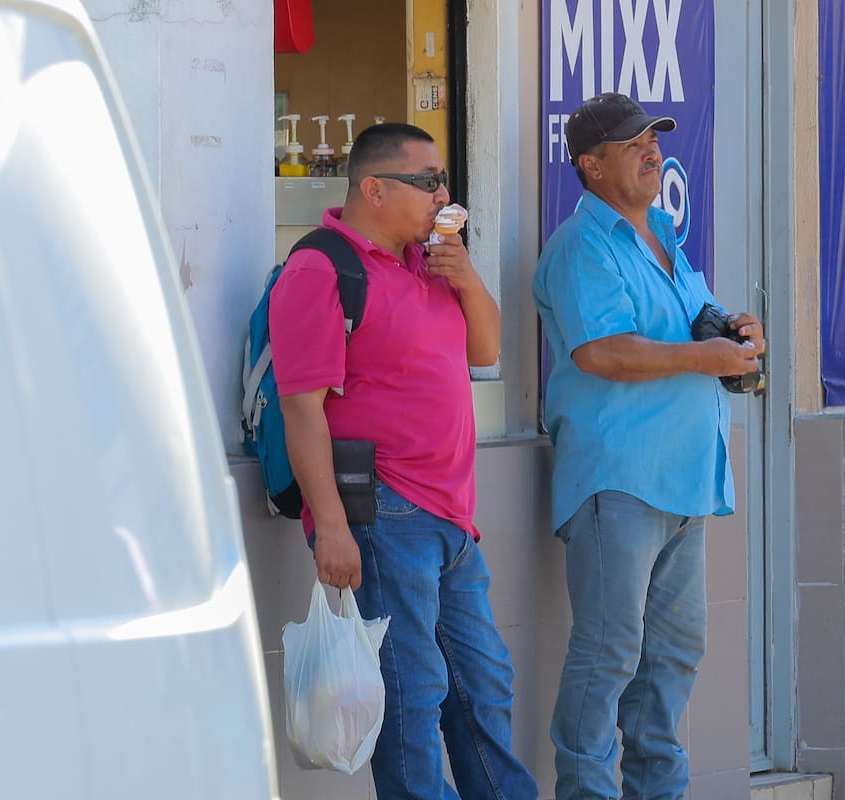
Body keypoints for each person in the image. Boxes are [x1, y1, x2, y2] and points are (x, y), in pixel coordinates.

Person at [270, 122, 538, 800]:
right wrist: (328, 524)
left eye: (444, 181)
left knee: (482, 691)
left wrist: (468, 278)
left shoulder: (431, 263)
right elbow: (301, 407)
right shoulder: (321, 268)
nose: (443, 194)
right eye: (428, 182)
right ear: (374, 188)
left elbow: (484, 351)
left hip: (452, 518)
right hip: (384, 514)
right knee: (412, 698)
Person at [533, 93, 766, 800]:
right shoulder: (582, 246)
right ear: (591, 165)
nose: (652, 151)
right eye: (633, 144)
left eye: (653, 139)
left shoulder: (663, 229)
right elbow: (601, 352)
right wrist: (706, 361)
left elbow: (691, 321)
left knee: (671, 659)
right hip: (620, 482)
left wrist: (733, 331)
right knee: (608, 657)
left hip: (686, 479)